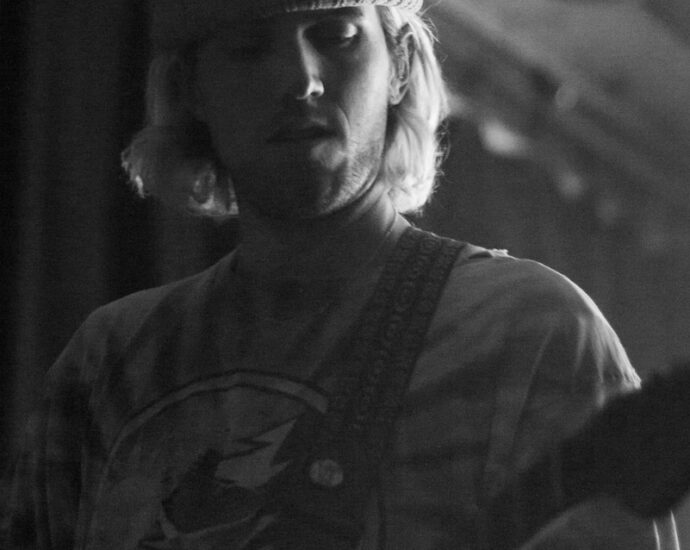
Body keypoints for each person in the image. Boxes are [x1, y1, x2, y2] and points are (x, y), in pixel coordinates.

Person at [2, 1, 681, 548]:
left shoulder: (529, 332)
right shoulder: (109, 360)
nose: (300, 79)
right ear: (191, 89)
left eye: (338, 35)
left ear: (401, 66)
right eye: (249, 47)